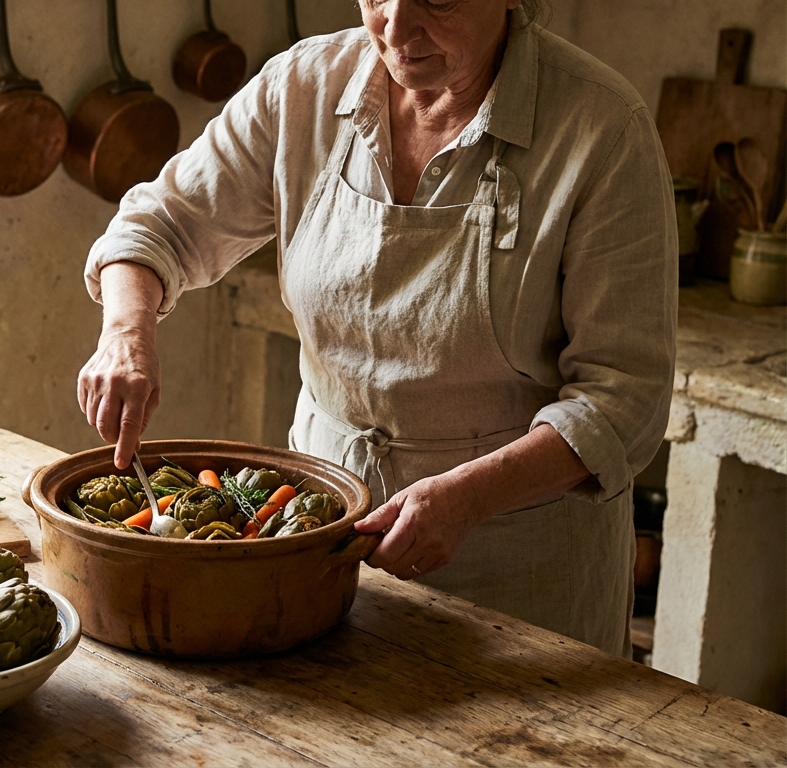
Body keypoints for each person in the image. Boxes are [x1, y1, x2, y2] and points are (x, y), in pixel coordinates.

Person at [76, 0, 676, 658]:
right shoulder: (304, 86)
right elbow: (159, 224)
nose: (394, 26)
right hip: (314, 539)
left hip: (515, 573)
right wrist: (126, 334)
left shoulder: (602, 129)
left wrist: (466, 498)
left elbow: (623, 402)